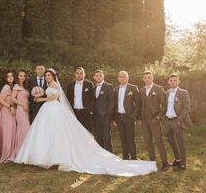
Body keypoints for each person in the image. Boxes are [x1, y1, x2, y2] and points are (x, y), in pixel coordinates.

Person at [14, 69, 157, 177]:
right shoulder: (52, 85)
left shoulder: (56, 85)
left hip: (54, 108)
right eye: (46, 76)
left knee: (58, 133)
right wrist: (39, 94)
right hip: (48, 111)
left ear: (53, 76)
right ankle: (46, 156)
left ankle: (58, 157)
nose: (47, 77)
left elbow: (54, 97)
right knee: (47, 133)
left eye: (49, 75)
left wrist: (41, 99)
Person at [138, 71, 169, 171]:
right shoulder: (142, 90)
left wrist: (158, 117)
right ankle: (152, 160)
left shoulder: (159, 88)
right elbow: (140, 106)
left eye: (149, 77)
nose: (147, 79)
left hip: (154, 119)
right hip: (144, 120)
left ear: (152, 78)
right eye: (145, 78)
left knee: (158, 141)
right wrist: (139, 118)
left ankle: (165, 162)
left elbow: (164, 105)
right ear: (143, 79)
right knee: (148, 141)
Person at [164, 73, 192, 170]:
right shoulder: (166, 93)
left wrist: (179, 119)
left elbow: (186, 108)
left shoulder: (183, 93)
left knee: (180, 142)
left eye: (175, 80)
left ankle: (183, 164)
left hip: (177, 121)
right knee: (171, 141)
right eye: (171, 80)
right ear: (168, 82)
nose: (173, 82)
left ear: (178, 81)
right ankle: (177, 158)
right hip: (168, 121)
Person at [113, 71, 140, 160]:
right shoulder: (115, 89)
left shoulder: (133, 88)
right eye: (120, 76)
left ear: (127, 78)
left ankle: (133, 156)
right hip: (119, 117)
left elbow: (138, 103)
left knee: (130, 137)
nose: (122, 78)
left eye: (124, 76)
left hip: (129, 117)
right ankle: (125, 156)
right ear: (118, 78)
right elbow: (114, 105)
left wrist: (134, 116)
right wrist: (114, 118)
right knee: (123, 138)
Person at [66, 67, 94, 133]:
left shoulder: (89, 84)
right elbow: (68, 99)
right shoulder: (70, 86)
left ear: (84, 74)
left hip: (86, 112)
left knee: (88, 132)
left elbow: (92, 98)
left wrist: (91, 110)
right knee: (75, 132)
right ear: (75, 74)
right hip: (74, 113)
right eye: (77, 73)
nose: (79, 75)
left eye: (81, 73)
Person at [93, 70, 115, 152]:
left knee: (107, 137)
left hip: (105, 116)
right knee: (98, 138)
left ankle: (110, 156)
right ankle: (102, 157)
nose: (98, 77)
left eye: (100, 75)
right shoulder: (94, 87)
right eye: (97, 76)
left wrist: (108, 115)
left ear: (103, 76)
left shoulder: (108, 86)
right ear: (94, 77)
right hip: (96, 117)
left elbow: (112, 101)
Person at [0, 71, 17, 163]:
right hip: (6, 112)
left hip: (12, 112)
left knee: (12, 132)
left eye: (12, 76)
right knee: (7, 133)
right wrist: (10, 107)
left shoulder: (13, 86)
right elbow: (0, 99)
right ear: (6, 78)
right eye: (8, 76)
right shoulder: (6, 87)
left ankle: (11, 153)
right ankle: (5, 154)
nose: (10, 77)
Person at [11, 70, 30, 156]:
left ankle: (26, 151)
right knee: (24, 128)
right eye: (21, 75)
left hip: (26, 110)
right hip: (20, 110)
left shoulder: (26, 87)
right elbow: (13, 98)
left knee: (25, 129)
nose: (22, 77)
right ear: (17, 77)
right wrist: (22, 105)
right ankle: (20, 152)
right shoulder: (16, 86)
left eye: (24, 75)